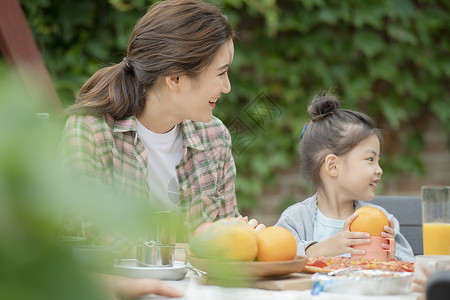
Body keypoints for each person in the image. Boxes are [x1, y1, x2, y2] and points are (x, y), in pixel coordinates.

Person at [61, 0, 264, 242]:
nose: (227, 87)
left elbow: (226, 237)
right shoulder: (91, 131)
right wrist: (196, 240)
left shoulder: (215, 136)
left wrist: (242, 237)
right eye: (221, 73)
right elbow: (92, 234)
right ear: (175, 77)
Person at [275, 92, 414, 262]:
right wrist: (325, 248)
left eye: (378, 160)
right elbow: (278, 257)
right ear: (333, 166)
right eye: (370, 159)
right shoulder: (296, 219)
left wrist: (392, 258)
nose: (379, 170)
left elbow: (409, 265)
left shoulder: (383, 221)